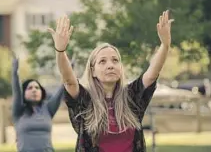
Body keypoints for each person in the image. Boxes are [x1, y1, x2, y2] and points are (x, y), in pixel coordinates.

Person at [48, 10, 173, 152]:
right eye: (102, 61)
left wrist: (165, 45)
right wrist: (60, 50)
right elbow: (69, 81)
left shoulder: (131, 97)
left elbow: (152, 75)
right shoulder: (85, 100)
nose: (110, 65)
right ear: (93, 70)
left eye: (115, 60)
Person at [11, 52, 64, 152]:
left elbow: (61, 89)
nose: (34, 90)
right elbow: (16, 91)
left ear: (41, 92)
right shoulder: (19, 111)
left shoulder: (48, 109)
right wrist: (15, 71)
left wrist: (67, 70)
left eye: (37, 87)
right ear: (24, 93)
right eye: (30, 88)